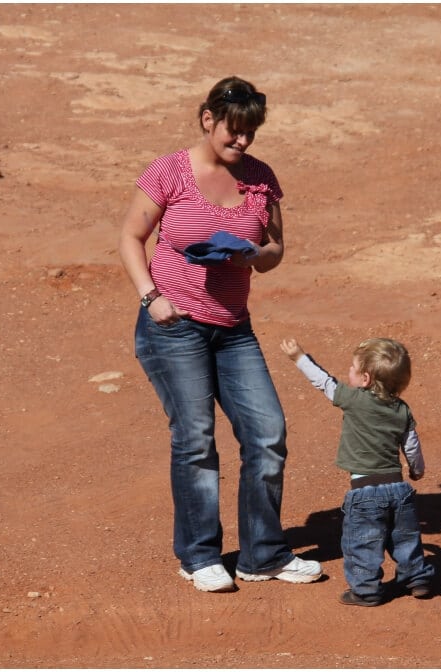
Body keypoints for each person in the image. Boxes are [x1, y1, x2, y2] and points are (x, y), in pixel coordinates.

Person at [119, 76, 321, 593]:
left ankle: (263, 554)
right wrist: (151, 296)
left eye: (251, 132)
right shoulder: (169, 172)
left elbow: (275, 251)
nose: (243, 141)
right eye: (235, 130)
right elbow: (131, 237)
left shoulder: (260, 179)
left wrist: (253, 255)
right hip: (174, 327)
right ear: (208, 119)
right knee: (195, 440)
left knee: (267, 433)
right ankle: (199, 555)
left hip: (233, 329)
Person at [279, 336, 436, 606]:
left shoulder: (354, 399)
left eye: (352, 368)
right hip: (399, 490)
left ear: (365, 379)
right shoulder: (402, 409)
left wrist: (299, 358)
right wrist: (417, 470)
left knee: (362, 544)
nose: (348, 371)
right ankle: (417, 578)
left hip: (365, 493)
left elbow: (323, 382)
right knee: (405, 539)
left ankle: (366, 590)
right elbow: (411, 444)